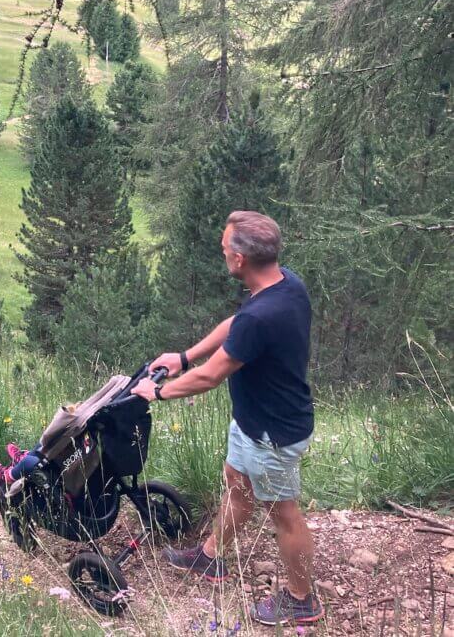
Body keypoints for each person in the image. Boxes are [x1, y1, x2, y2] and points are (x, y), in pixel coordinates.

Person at [131, 210, 321, 626]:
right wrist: (183, 356)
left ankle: (302, 599)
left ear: (239, 260)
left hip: (273, 432)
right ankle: (212, 555)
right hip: (252, 420)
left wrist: (158, 390)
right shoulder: (284, 284)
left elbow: (212, 376)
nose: (222, 253)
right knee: (236, 483)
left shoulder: (263, 313)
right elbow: (236, 326)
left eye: (224, 248)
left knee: (284, 514)